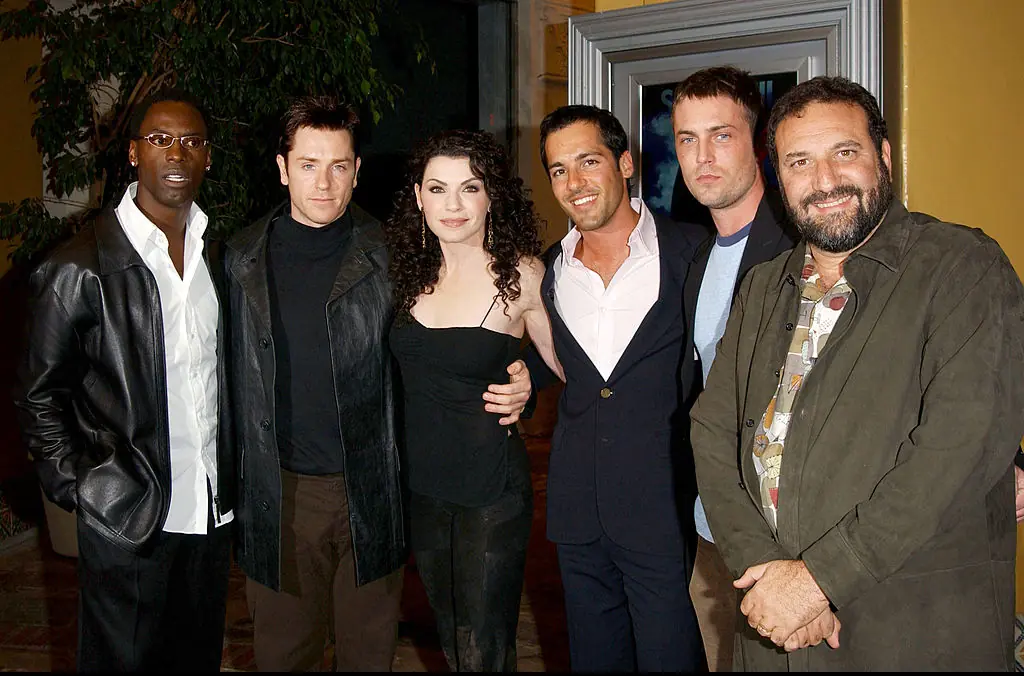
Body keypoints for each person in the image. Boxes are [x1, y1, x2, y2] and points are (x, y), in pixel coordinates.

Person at [690, 76, 1024, 670]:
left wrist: (819, 579)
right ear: (779, 177)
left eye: (844, 153)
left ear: (884, 157)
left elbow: (960, 445)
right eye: (800, 162)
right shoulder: (765, 286)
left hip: (908, 627)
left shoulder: (962, 268)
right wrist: (764, 572)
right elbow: (712, 434)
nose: (824, 182)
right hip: (771, 626)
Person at [224, 97, 534, 671]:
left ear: (357, 170)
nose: (324, 182)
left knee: (369, 655)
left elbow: (462, 338)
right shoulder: (240, 257)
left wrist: (522, 381)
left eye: (339, 165)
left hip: (376, 488)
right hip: (278, 490)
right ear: (281, 166)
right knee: (281, 654)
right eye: (309, 164)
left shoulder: (396, 255)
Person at [15, 88, 233, 671]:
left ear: (208, 158)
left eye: (191, 143)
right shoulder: (77, 267)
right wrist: (85, 489)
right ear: (134, 153)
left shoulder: (223, 259)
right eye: (160, 140)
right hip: (128, 519)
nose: (177, 155)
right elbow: (38, 397)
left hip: (209, 515)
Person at [534, 104, 704, 671]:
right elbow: (541, 362)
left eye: (588, 161)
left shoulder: (691, 255)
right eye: (559, 170)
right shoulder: (547, 272)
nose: (574, 183)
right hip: (578, 513)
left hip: (663, 508)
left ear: (625, 163)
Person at [386, 129, 562, 671]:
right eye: (438, 189)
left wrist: (528, 380)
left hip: (492, 487)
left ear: (493, 195)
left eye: (470, 188)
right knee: (448, 635)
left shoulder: (525, 275)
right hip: (423, 487)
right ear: (418, 197)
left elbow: (568, 364)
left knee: (484, 644)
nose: (453, 205)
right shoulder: (404, 272)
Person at [672, 66, 797, 671]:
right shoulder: (698, 260)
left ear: (758, 140)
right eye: (687, 139)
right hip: (712, 528)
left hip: (789, 534)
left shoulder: (804, 243)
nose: (703, 156)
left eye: (720, 135)